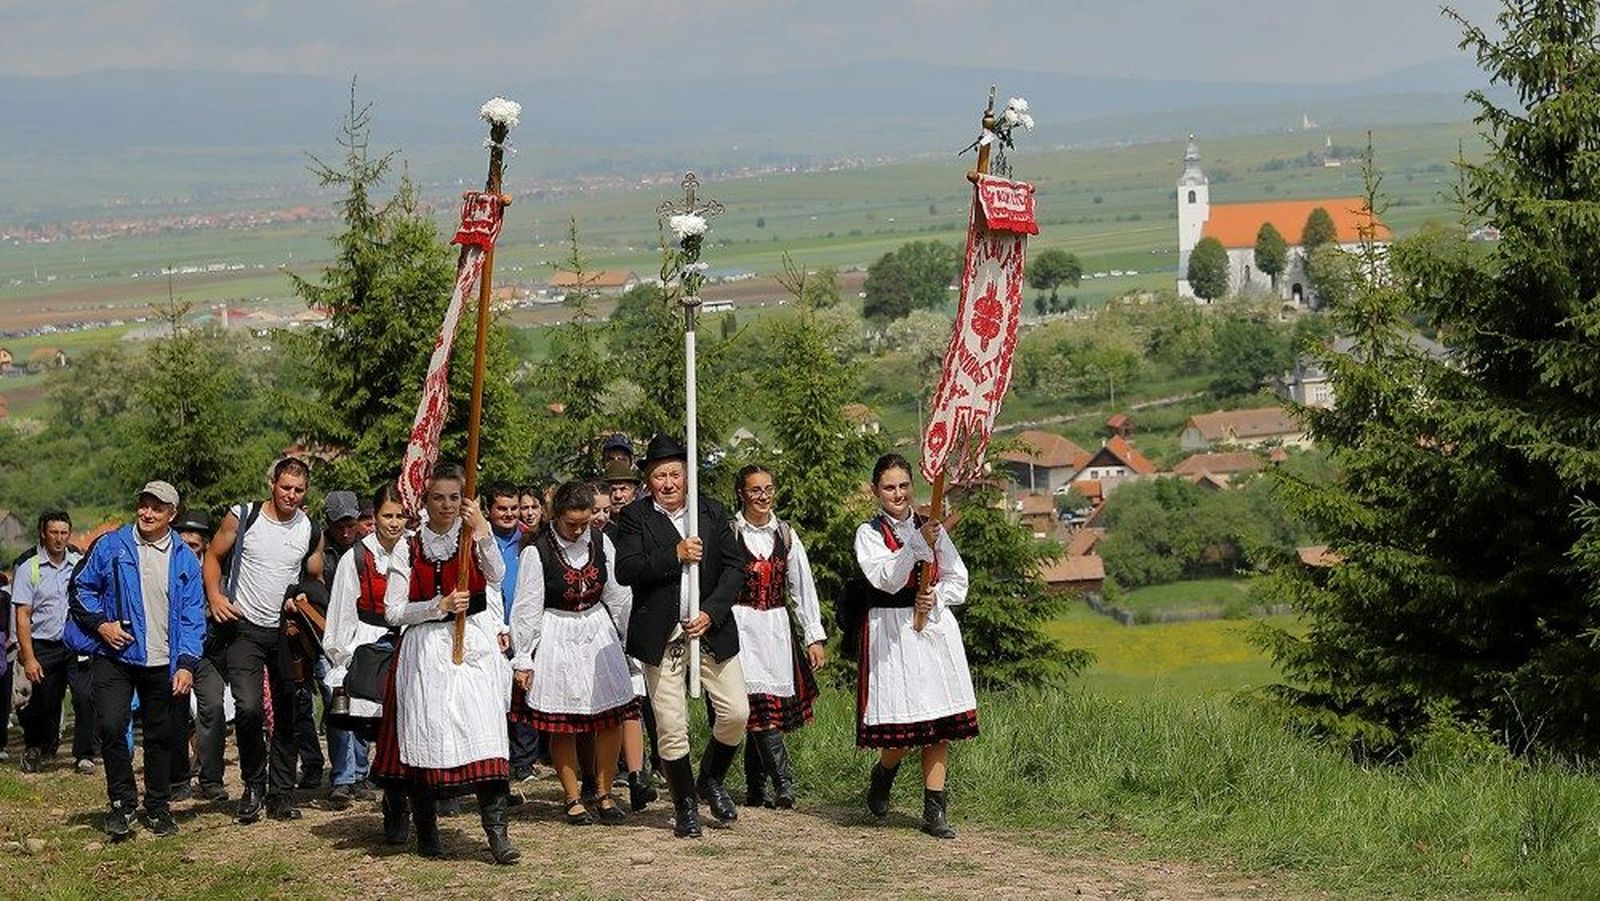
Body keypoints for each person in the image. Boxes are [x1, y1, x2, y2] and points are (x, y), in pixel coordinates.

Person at [371, 463, 518, 864]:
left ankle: (497, 834)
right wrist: (437, 606)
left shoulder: (473, 536)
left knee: (484, 729)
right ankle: (428, 830)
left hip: (473, 643)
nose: (447, 505)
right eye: (439, 497)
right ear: (425, 500)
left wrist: (484, 531)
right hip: (427, 650)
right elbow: (393, 611)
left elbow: (498, 574)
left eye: (455, 497)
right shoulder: (409, 545)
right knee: (428, 734)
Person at [613, 434, 749, 838]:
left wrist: (712, 611)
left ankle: (710, 778)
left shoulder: (710, 512)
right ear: (648, 480)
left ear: (687, 475)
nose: (669, 483)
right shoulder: (636, 518)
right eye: (660, 476)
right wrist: (675, 554)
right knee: (671, 725)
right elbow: (627, 569)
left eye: (674, 474)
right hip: (662, 635)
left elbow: (734, 568)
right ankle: (685, 804)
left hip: (712, 630)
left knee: (736, 713)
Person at [63, 481, 206, 839]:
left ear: (171, 514)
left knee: (161, 737)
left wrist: (187, 663)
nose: (147, 513)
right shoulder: (111, 545)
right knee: (111, 726)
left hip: (163, 661)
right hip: (115, 656)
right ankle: (122, 804)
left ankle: (157, 807)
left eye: (157, 508)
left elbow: (192, 615)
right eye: (144, 505)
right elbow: (80, 589)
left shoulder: (184, 557)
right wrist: (101, 625)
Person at [851, 453, 977, 839]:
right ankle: (884, 773)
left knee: (938, 724)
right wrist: (915, 547)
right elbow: (885, 578)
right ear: (876, 491)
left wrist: (936, 596)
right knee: (905, 729)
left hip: (933, 631)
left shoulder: (932, 527)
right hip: (892, 632)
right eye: (889, 487)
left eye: (904, 485)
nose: (898, 493)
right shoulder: (869, 533)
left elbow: (958, 578)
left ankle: (934, 810)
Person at [202, 456, 325, 823]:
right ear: (272, 484)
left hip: (286, 632)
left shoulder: (309, 529)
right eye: (285, 487)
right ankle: (253, 783)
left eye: (299, 490)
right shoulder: (244, 516)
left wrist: (303, 596)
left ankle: (281, 793)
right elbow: (212, 555)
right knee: (249, 708)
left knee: (288, 711)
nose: (291, 495)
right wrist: (215, 596)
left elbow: (315, 578)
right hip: (243, 626)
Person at [511, 480, 638, 826]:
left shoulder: (600, 540)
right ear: (556, 516)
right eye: (572, 523)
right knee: (563, 721)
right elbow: (527, 607)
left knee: (610, 715)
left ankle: (604, 791)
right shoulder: (537, 550)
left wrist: (629, 641)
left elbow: (617, 594)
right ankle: (571, 796)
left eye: (584, 522)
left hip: (597, 630)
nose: (579, 529)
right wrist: (523, 657)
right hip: (557, 631)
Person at [728, 465, 826, 809]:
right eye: (756, 490)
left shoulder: (785, 535)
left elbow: (802, 586)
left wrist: (813, 635)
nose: (764, 496)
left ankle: (756, 788)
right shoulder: (730, 532)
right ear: (741, 492)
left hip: (775, 631)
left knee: (764, 710)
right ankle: (783, 781)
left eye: (769, 489)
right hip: (741, 627)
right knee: (759, 709)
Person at [323, 485, 408, 823]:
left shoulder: (414, 551)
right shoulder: (356, 558)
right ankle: (356, 778)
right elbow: (342, 612)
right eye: (387, 515)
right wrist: (341, 660)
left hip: (407, 640)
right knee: (367, 719)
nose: (394, 523)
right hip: (368, 642)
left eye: (400, 515)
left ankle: (396, 781)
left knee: (403, 720)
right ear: (374, 518)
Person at [11, 510, 95, 775]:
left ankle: (84, 754)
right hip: (43, 644)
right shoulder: (29, 568)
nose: (59, 539)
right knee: (43, 701)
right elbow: (22, 616)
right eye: (53, 533)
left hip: (74, 644)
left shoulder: (79, 563)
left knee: (84, 697)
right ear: (43, 534)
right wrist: (29, 656)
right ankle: (38, 746)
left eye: (63, 533)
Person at [313, 490, 372, 808]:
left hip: (364, 639)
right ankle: (342, 777)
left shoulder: (369, 553)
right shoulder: (320, 552)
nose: (346, 531)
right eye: (339, 525)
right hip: (329, 640)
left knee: (362, 706)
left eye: (351, 523)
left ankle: (360, 774)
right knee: (337, 708)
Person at [170, 509, 231, 802]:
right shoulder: (168, 569)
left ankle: (211, 777)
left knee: (213, 711)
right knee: (175, 716)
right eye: (183, 544)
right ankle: (178, 778)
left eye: (194, 546)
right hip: (174, 653)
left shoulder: (217, 576)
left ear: (206, 545)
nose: (188, 551)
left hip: (208, 654)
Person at [485, 480, 540, 782]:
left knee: (524, 694)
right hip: (492, 627)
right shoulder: (482, 541)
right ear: (490, 510)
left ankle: (525, 760)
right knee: (496, 694)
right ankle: (497, 754)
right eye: (502, 509)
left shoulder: (530, 540)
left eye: (514, 508)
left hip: (526, 628)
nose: (509, 514)